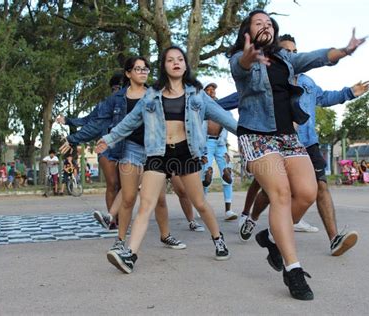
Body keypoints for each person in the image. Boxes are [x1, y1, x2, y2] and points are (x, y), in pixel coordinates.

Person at [228, 10, 366, 300]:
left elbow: (316, 57)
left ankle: (271, 238)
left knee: (307, 192)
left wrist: (344, 50)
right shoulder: (240, 58)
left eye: (269, 23)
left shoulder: (286, 58)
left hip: (287, 135)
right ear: (248, 32)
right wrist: (248, 56)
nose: (265, 25)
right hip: (256, 133)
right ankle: (293, 270)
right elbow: (240, 68)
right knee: (280, 194)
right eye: (258, 23)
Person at [96, 46, 237, 273]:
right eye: (170, 60)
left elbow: (223, 118)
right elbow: (131, 121)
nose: (176, 63)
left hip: (186, 152)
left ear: (185, 64)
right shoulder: (151, 95)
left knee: (199, 203)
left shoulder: (197, 94)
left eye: (180, 59)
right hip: (159, 153)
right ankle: (130, 255)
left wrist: (249, 136)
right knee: (146, 205)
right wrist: (110, 138)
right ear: (164, 66)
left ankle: (218, 239)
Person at [60, 57, 187, 253]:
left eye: (145, 69)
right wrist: (74, 138)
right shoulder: (117, 99)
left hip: (154, 152)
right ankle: (119, 240)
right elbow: (97, 122)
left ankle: (165, 235)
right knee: (128, 198)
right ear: (128, 73)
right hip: (130, 150)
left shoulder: (156, 94)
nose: (143, 72)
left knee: (159, 198)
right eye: (138, 69)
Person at [57, 73, 124, 228]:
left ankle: (121, 218)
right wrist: (68, 121)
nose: (118, 90)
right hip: (106, 148)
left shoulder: (133, 101)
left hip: (127, 148)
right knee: (112, 183)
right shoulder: (104, 105)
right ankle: (113, 220)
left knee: (123, 186)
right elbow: (89, 121)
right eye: (115, 87)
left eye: (121, 87)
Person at [201, 82, 238, 221]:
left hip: (221, 144)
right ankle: (202, 207)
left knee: (227, 174)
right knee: (206, 174)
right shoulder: (201, 107)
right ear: (204, 92)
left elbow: (232, 123)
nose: (212, 92)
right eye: (208, 90)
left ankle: (229, 210)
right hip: (206, 143)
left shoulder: (224, 107)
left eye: (213, 90)